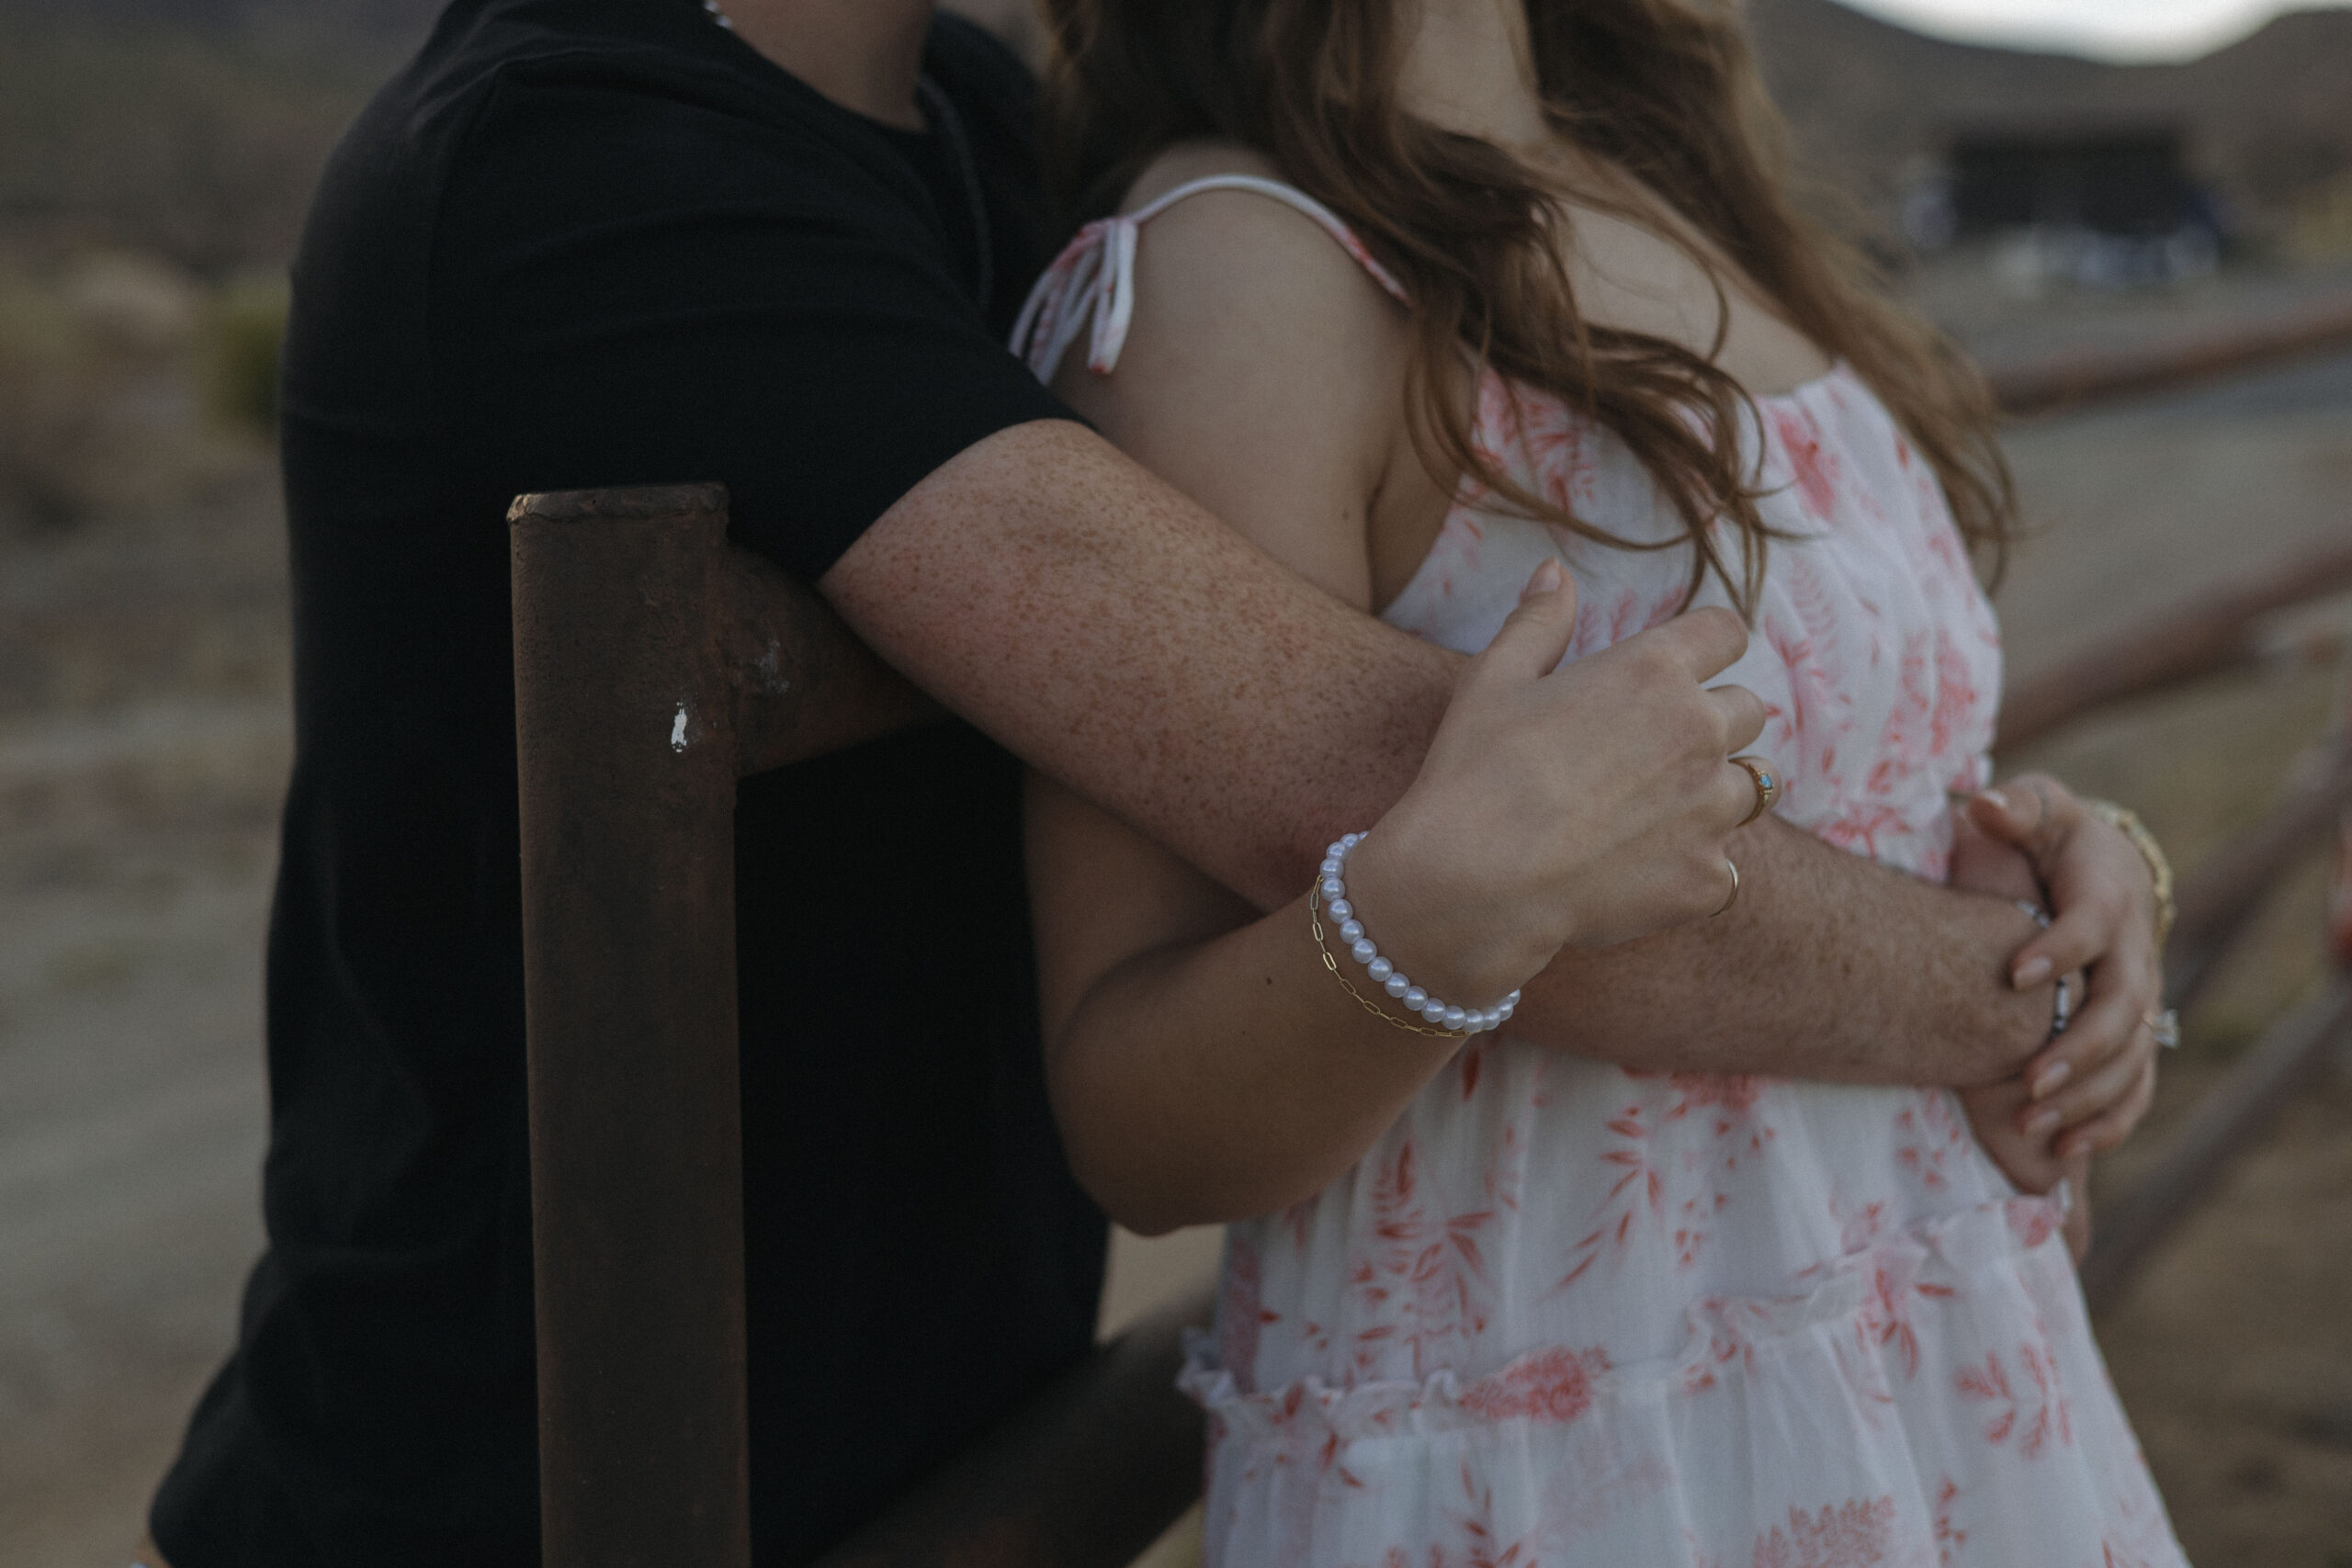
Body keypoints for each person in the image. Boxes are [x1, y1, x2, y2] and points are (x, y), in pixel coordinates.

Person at [141, 0, 2164, 1563]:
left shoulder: (967, 130)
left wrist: (2063, 862)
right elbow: (1383, 778)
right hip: (507, 1497)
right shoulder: (576, 159)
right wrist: (2020, 988)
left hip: (920, 1455)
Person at [1012, 0, 2187, 1562]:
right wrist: (1431, 926)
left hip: (1954, 1374)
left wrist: (2072, 857)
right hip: (1583, 1457)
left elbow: (1840, 754)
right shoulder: (1239, 270)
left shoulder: (1657, 178)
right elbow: (1140, 1125)